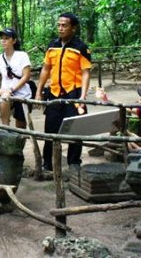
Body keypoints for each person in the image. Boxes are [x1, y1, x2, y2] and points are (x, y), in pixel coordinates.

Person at [35, 12, 91, 173]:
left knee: (76, 129)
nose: (60, 28)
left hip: (73, 92)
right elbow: (46, 69)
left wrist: (82, 95)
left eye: (64, 25)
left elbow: (86, 72)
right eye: (59, 25)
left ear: (73, 28)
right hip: (54, 93)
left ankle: (74, 163)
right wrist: (39, 91)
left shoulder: (81, 47)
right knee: (50, 129)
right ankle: (48, 163)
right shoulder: (52, 45)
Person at [0, 27, 32, 129]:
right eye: (2, 38)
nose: (3, 40)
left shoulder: (22, 55)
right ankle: (6, 128)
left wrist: (12, 89)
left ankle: (19, 140)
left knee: (20, 125)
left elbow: (26, 76)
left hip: (22, 93)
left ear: (14, 40)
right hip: (5, 92)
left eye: (7, 38)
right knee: (4, 97)